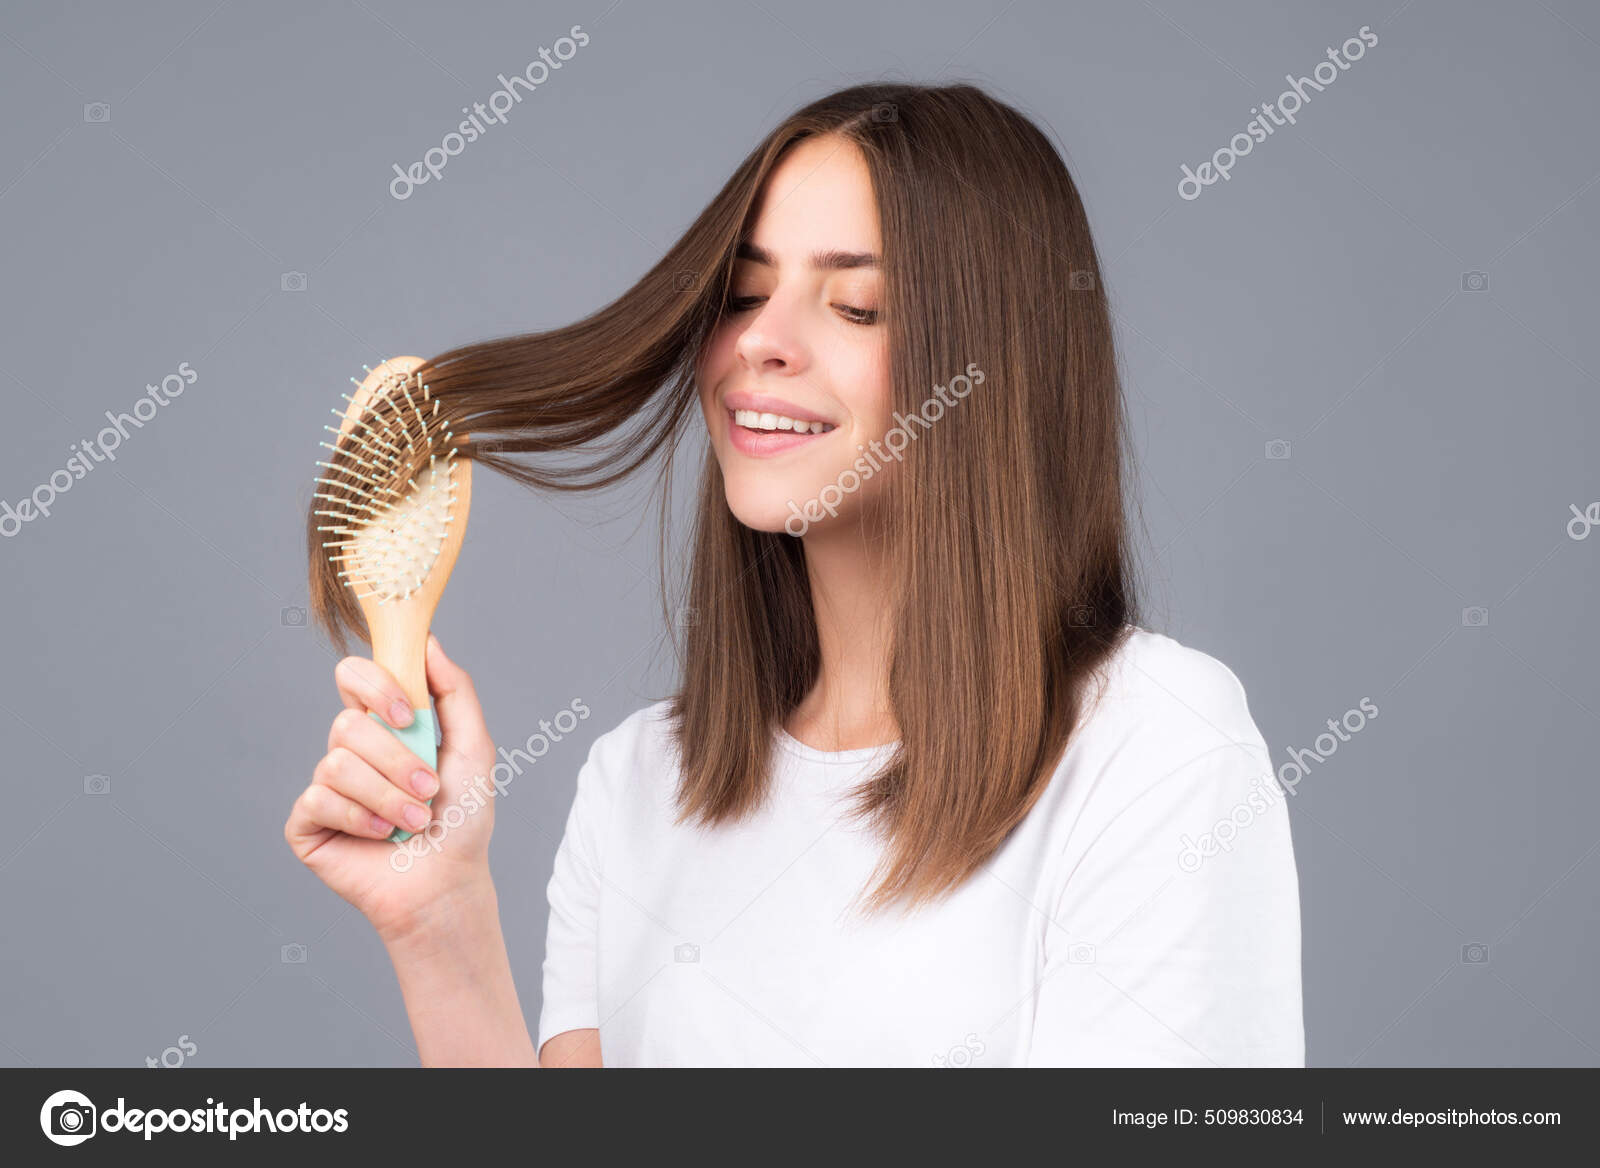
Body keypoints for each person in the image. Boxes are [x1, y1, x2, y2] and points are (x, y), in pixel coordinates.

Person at [284, 82, 1303, 1067]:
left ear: (993, 368)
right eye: (740, 294)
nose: (758, 342)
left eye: (856, 306)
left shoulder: (1155, 751)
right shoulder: (638, 785)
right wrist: (442, 923)